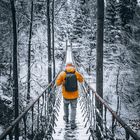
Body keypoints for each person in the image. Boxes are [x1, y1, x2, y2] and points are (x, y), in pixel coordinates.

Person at [56, 62, 84, 129]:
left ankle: (66, 117)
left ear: (66, 66)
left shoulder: (62, 74)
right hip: (74, 95)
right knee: (73, 108)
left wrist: (63, 82)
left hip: (66, 95)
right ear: (73, 66)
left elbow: (57, 83)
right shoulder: (76, 73)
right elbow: (81, 80)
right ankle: (72, 123)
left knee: (65, 106)